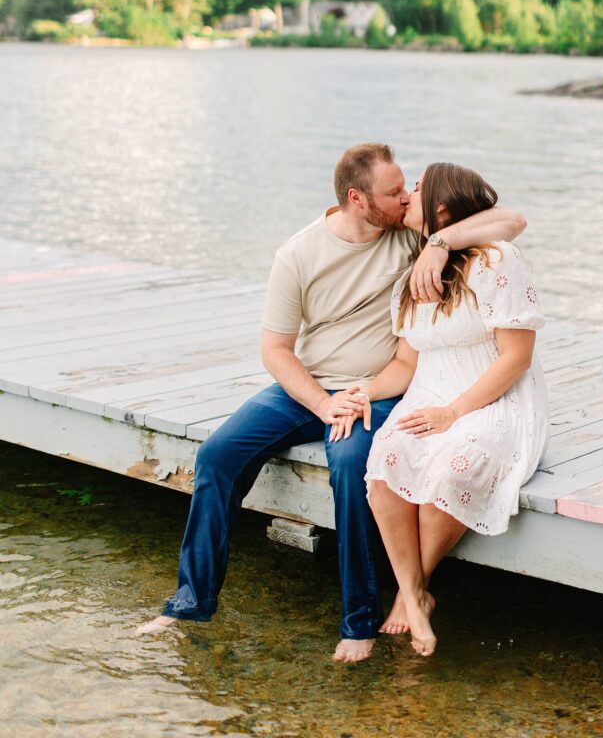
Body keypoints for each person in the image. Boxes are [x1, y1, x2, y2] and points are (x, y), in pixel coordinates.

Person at [137, 144, 526, 662]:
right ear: (356, 199)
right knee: (216, 456)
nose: (405, 196)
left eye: (407, 187)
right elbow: (275, 350)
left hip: (380, 388)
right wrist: (323, 404)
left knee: (348, 463)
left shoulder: (410, 236)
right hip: (308, 390)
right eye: (393, 192)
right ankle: (188, 602)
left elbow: (509, 219)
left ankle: (359, 621)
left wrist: (438, 242)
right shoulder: (298, 254)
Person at [356, 162, 548, 657]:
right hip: (428, 395)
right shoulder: (413, 274)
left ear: (441, 207)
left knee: (450, 466)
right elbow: (404, 363)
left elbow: (517, 357)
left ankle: (410, 590)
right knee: (388, 460)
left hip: (491, 397)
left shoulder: (496, 260)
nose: (405, 195)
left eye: (415, 189)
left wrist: (455, 411)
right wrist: (365, 391)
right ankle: (416, 597)